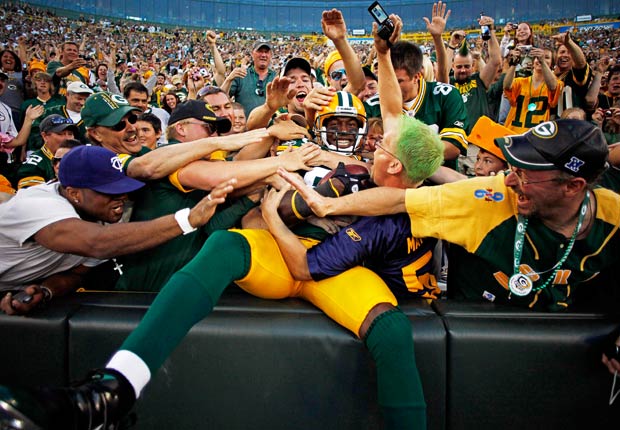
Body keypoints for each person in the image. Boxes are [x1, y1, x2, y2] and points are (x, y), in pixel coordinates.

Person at [0, 15, 439, 429]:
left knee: (392, 328)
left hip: (334, 266)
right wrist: (277, 149)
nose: (344, 133)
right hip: (279, 250)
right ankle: (114, 389)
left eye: (352, 125)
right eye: (334, 123)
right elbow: (248, 177)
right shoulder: (297, 148)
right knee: (225, 246)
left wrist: (376, 58)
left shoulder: (376, 163)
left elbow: (394, 117)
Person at [279, 118, 618, 311]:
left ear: (574, 187)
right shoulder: (488, 198)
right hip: (480, 332)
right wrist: (329, 205)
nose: (510, 180)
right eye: (513, 168)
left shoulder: (614, 215)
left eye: (526, 175)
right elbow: (401, 200)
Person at [0, 145, 236, 315]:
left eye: (122, 188)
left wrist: (46, 290)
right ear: (74, 193)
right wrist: (188, 220)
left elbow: (75, 274)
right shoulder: (37, 203)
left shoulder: (100, 218)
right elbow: (97, 244)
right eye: (109, 192)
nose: (121, 197)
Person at [504, 47, 563, 133]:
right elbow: (506, 86)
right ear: (532, 63)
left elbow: (552, 87)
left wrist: (542, 62)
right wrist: (514, 64)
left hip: (537, 137)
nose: (540, 59)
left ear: (552, 64)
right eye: (537, 57)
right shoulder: (520, 82)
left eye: (546, 57)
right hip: (513, 133)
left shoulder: (557, 83)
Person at [27, 81, 94, 153]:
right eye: (79, 99)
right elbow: (35, 137)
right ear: (67, 95)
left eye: (85, 99)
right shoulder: (49, 113)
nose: (82, 103)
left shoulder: (93, 117)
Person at [16, 114, 79, 188]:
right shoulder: (34, 165)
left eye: (70, 134)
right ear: (45, 136)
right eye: (60, 134)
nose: (67, 138)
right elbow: (31, 196)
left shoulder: (79, 158)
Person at [225, 39, 277, 117]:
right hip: (245, 127)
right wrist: (228, 80)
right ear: (252, 54)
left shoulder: (276, 78)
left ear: (271, 55)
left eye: (266, 52)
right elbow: (222, 98)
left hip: (269, 128)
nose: (263, 55)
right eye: (260, 51)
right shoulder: (241, 75)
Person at [122, 81, 169, 145]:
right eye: (136, 100)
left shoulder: (161, 114)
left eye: (144, 101)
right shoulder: (119, 120)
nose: (140, 104)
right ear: (125, 100)